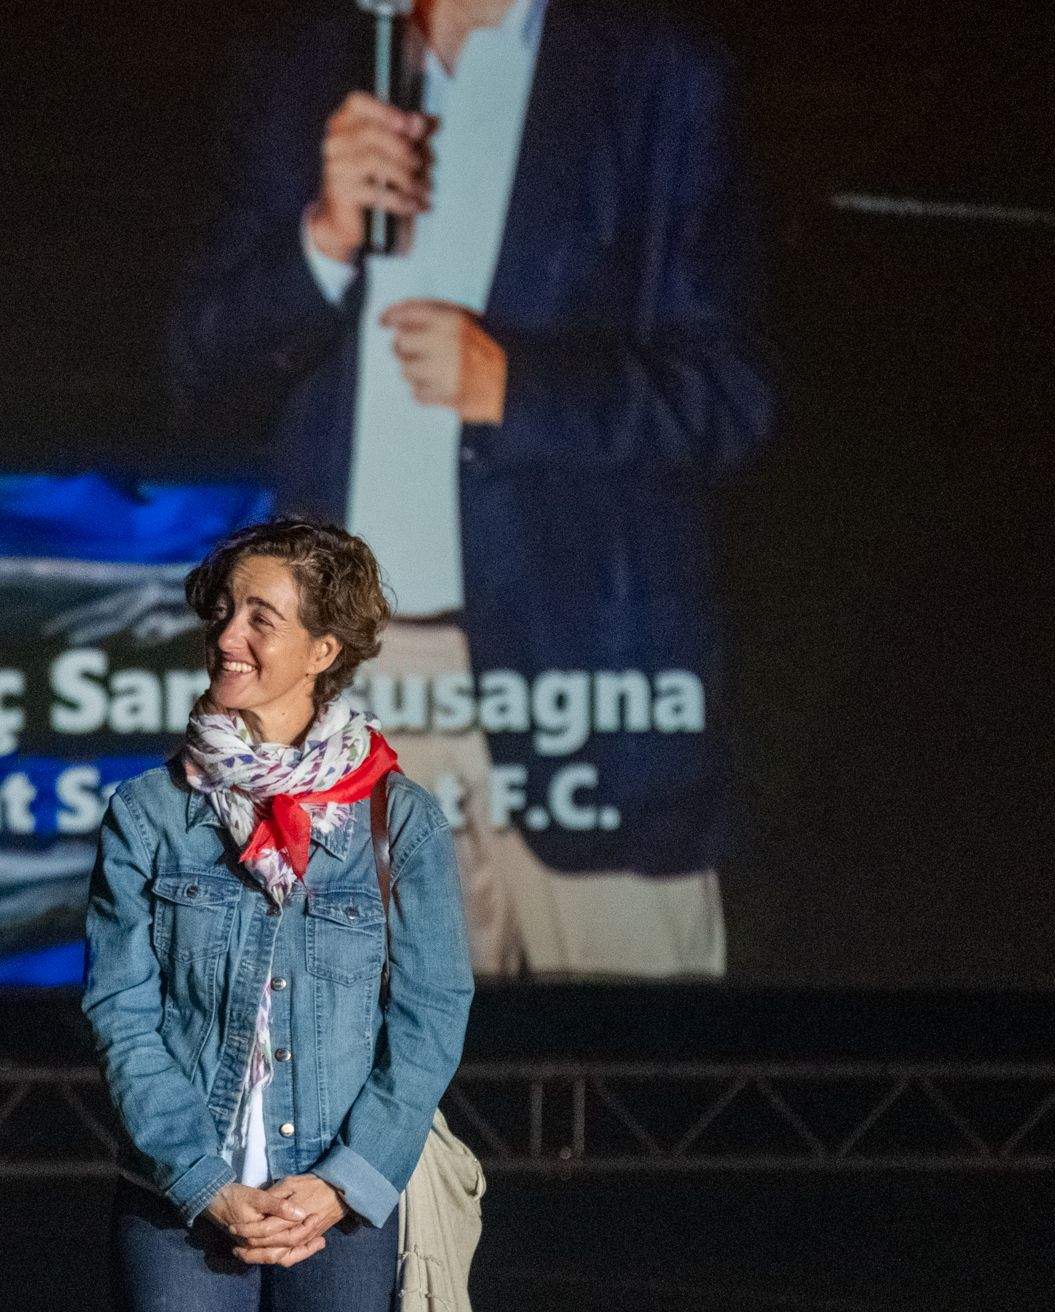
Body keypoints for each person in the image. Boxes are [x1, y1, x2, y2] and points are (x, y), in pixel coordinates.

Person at [170, 0, 774, 977]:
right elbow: (201, 364)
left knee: (625, 1094)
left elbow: (727, 396)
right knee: (377, 1101)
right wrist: (318, 241)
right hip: (350, 690)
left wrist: (517, 387)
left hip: (584, 681)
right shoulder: (307, 66)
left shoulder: (654, 73)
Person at [84, 517, 474, 1312]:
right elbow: (121, 1014)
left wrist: (344, 1185)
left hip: (340, 1208)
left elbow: (431, 1013)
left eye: (262, 617)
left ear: (324, 650)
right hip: (179, 1204)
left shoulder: (397, 819)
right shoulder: (149, 813)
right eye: (225, 611)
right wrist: (207, 1183)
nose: (228, 637)